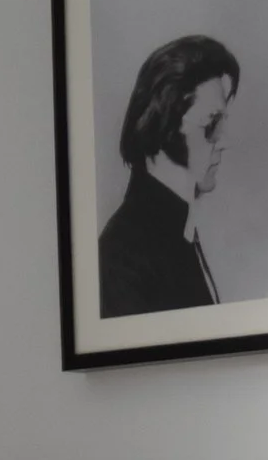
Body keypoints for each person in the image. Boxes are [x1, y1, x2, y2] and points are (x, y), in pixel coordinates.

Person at [96, 34, 240, 315]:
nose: (224, 141)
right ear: (165, 124)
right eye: (212, 123)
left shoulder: (177, 234)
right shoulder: (122, 256)